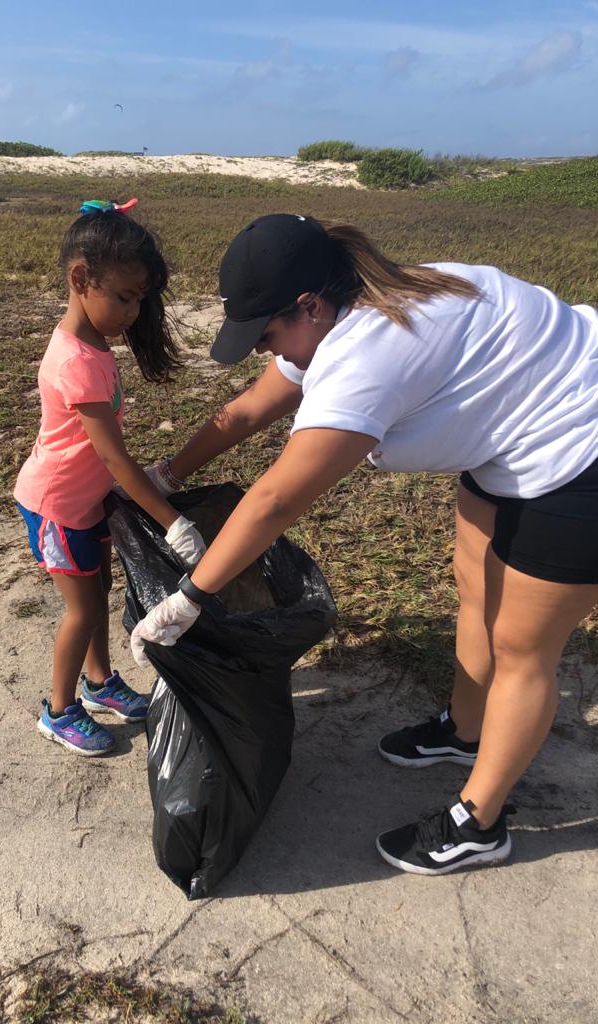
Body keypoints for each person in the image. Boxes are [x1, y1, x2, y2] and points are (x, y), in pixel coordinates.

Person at [130, 212, 598, 874]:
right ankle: (465, 732)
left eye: (266, 335)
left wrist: (191, 596)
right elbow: (249, 408)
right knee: (475, 585)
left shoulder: (366, 356)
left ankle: (479, 824)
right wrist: (171, 472)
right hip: (518, 434)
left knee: (524, 649)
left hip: (582, 448)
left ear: (308, 306)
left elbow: (276, 499)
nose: (267, 351)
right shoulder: (340, 307)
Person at [14, 199, 205, 757]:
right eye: (123, 297)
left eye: (139, 299)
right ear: (81, 279)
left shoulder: (95, 345)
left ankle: (99, 684)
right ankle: (58, 709)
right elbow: (117, 458)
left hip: (86, 501)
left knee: (97, 594)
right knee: (83, 609)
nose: (132, 311)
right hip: (57, 507)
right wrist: (174, 522)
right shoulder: (75, 359)